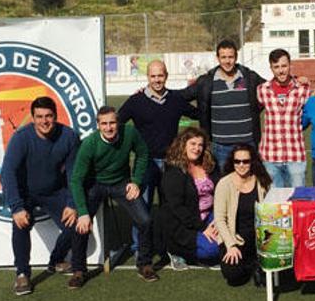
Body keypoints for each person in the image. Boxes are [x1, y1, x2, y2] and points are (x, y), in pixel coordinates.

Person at [0, 96, 83, 295]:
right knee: (20, 225)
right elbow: (7, 173)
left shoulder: (69, 136)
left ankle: (55, 260)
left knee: (75, 225)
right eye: (39, 117)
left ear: (55, 116)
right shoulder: (21, 138)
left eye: (48, 116)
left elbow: (74, 172)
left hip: (54, 192)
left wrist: (72, 203)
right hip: (26, 192)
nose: (44, 121)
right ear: (33, 117)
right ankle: (22, 274)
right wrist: (17, 207)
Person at [70, 106, 157, 287]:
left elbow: (142, 154)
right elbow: (76, 180)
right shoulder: (90, 144)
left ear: (118, 122)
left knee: (145, 220)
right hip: (96, 185)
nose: (109, 128)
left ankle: (145, 264)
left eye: (112, 123)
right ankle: (78, 270)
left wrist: (136, 181)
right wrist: (83, 212)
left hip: (121, 183)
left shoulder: (130, 133)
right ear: (98, 125)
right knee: (80, 224)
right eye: (104, 124)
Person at [119, 60, 198, 253]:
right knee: (142, 206)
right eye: (153, 76)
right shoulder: (135, 101)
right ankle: (140, 247)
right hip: (144, 163)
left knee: (170, 207)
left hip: (171, 163)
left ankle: (169, 247)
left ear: (166, 76)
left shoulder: (175, 99)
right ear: (147, 77)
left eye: (160, 76)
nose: (157, 80)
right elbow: (117, 122)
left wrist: (204, 94)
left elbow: (198, 114)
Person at [180, 39, 266, 170]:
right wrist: (198, 114)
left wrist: (297, 81)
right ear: (217, 58)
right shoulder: (206, 81)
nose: (227, 61)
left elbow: (272, 89)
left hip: (247, 144)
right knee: (222, 186)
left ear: (236, 57)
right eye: (223, 57)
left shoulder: (250, 77)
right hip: (219, 147)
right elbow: (181, 97)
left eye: (231, 57)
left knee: (249, 185)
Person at [155, 127, 221, 269]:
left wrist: (218, 219)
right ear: (183, 145)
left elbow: (220, 190)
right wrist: (203, 228)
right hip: (185, 223)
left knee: (229, 240)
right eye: (192, 144)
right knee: (212, 250)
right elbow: (178, 208)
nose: (197, 149)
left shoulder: (209, 163)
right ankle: (175, 251)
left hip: (209, 215)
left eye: (200, 145)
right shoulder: (174, 170)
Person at [213, 144, 272, 286]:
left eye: (245, 161)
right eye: (237, 161)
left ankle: (256, 261)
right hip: (235, 237)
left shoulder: (262, 181)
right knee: (233, 275)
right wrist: (231, 245)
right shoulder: (224, 184)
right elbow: (220, 219)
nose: (241, 165)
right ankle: (252, 263)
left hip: (259, 237)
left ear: (252, 162)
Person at [257, 48, 310, 188]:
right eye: (276, 67)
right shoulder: (262, 90)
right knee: (274, 202)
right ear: (271, 68)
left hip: (295, 155)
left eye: (284, 66)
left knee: (298, 200)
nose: (281, 70)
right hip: (270, 156)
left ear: (290, 65)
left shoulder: (303, 89)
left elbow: (310, 113)